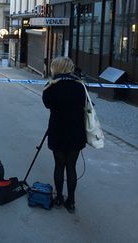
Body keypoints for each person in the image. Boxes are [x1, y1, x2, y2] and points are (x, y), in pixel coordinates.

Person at [42, 57, 86, 214]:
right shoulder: (80, 86)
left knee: (59, 165)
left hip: (58, 130)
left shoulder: (51, 87)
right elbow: (85, 105)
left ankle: (59, 198)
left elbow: (47, 104)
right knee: (71, 167)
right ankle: (71, 201)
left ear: (56, 68)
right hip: (76, 132)